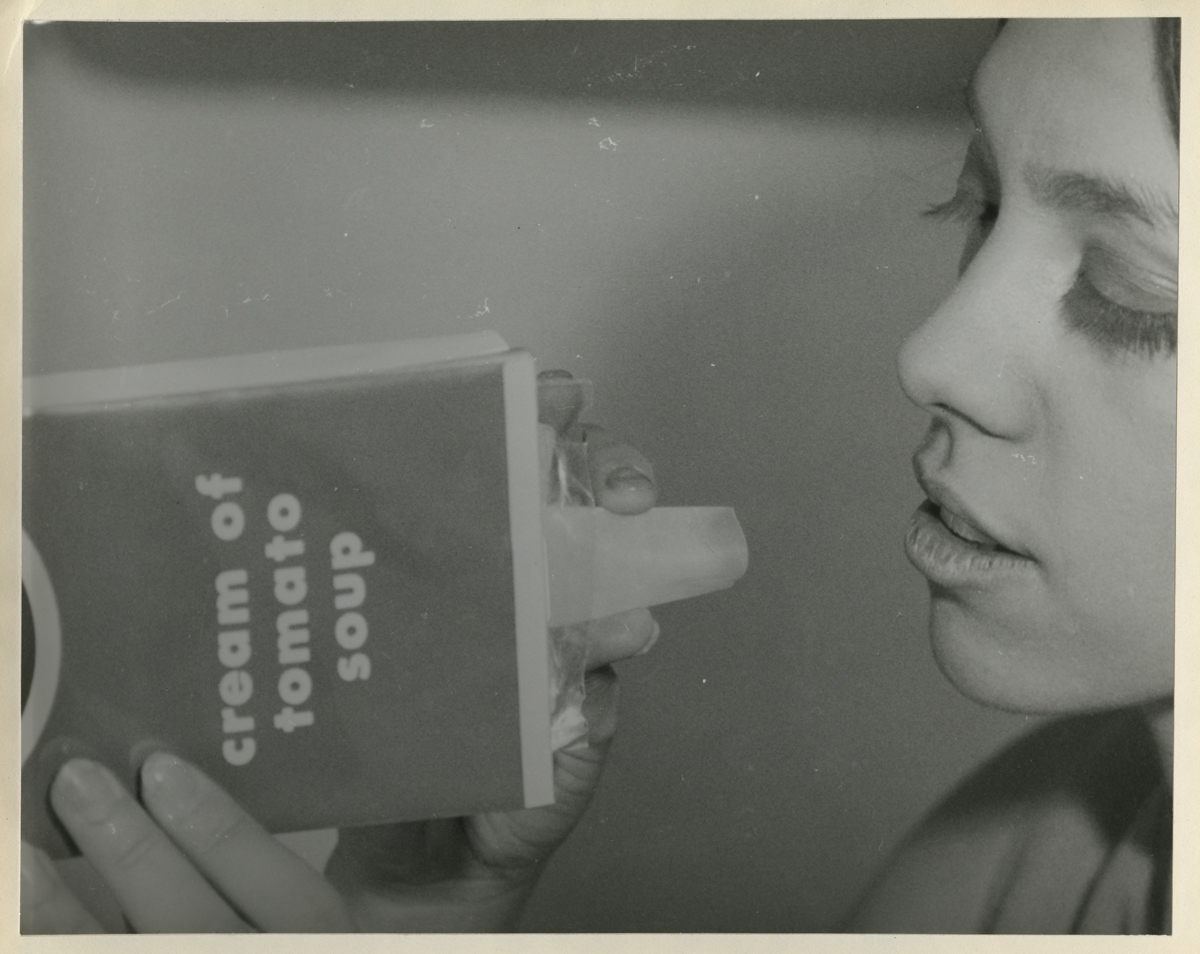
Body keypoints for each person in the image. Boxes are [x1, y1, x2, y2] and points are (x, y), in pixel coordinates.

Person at [21, 16, 1179, 934]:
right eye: (978, 200)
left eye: (1129, 292)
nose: (933, 356)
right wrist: (416, 919)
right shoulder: (1036, 849)